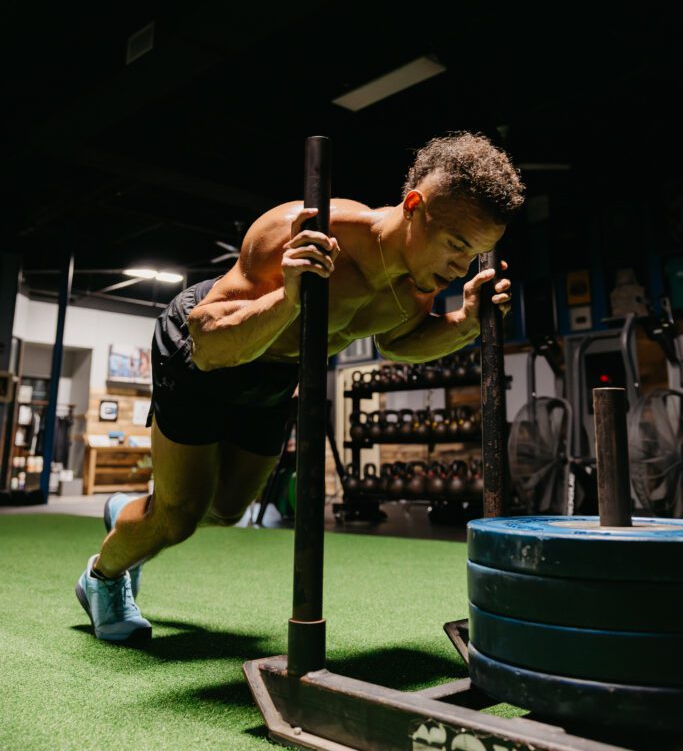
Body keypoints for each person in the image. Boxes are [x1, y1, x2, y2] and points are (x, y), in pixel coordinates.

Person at [75, 131, 525, 640]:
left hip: (278, 373)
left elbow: (398, 345)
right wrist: (290, 298)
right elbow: (208, 343)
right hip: (206, 351)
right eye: (457, 246)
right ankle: (101, 578)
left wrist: (465, 322)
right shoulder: (305, 232)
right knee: (179, 516)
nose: (459, 269)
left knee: (226, 510)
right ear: (414, 207)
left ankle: (129, 513)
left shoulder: (417, 284)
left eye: (473, 255)